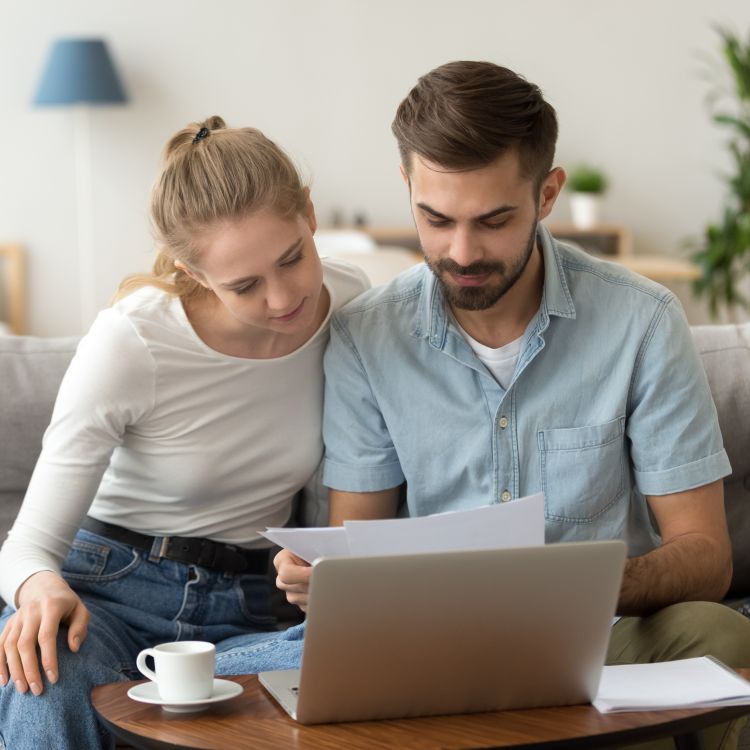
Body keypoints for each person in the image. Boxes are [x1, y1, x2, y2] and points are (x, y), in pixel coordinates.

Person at [275, 61, 750, 749]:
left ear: (547, 193)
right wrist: (330, 582)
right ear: (407, 185)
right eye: (435, 219)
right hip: (435, 658)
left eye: (494, 221)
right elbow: (354, 547)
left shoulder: (640, 322)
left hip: (604, 642)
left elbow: (706, 555)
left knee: (723, 634)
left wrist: (576, 589)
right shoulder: (366, 339)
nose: (461, 252)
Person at [0, 116, 368, 750]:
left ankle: (168, 687)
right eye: (245, 285)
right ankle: (162, 688)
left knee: (362, 654)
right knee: (51, 672)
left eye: (292, 258)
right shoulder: (133, 340)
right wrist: (40, 588)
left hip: (251, 610)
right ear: (192, 272)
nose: (284, 299)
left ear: (309, 215)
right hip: (109, 590)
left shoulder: (356, 304)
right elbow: (27, 546)